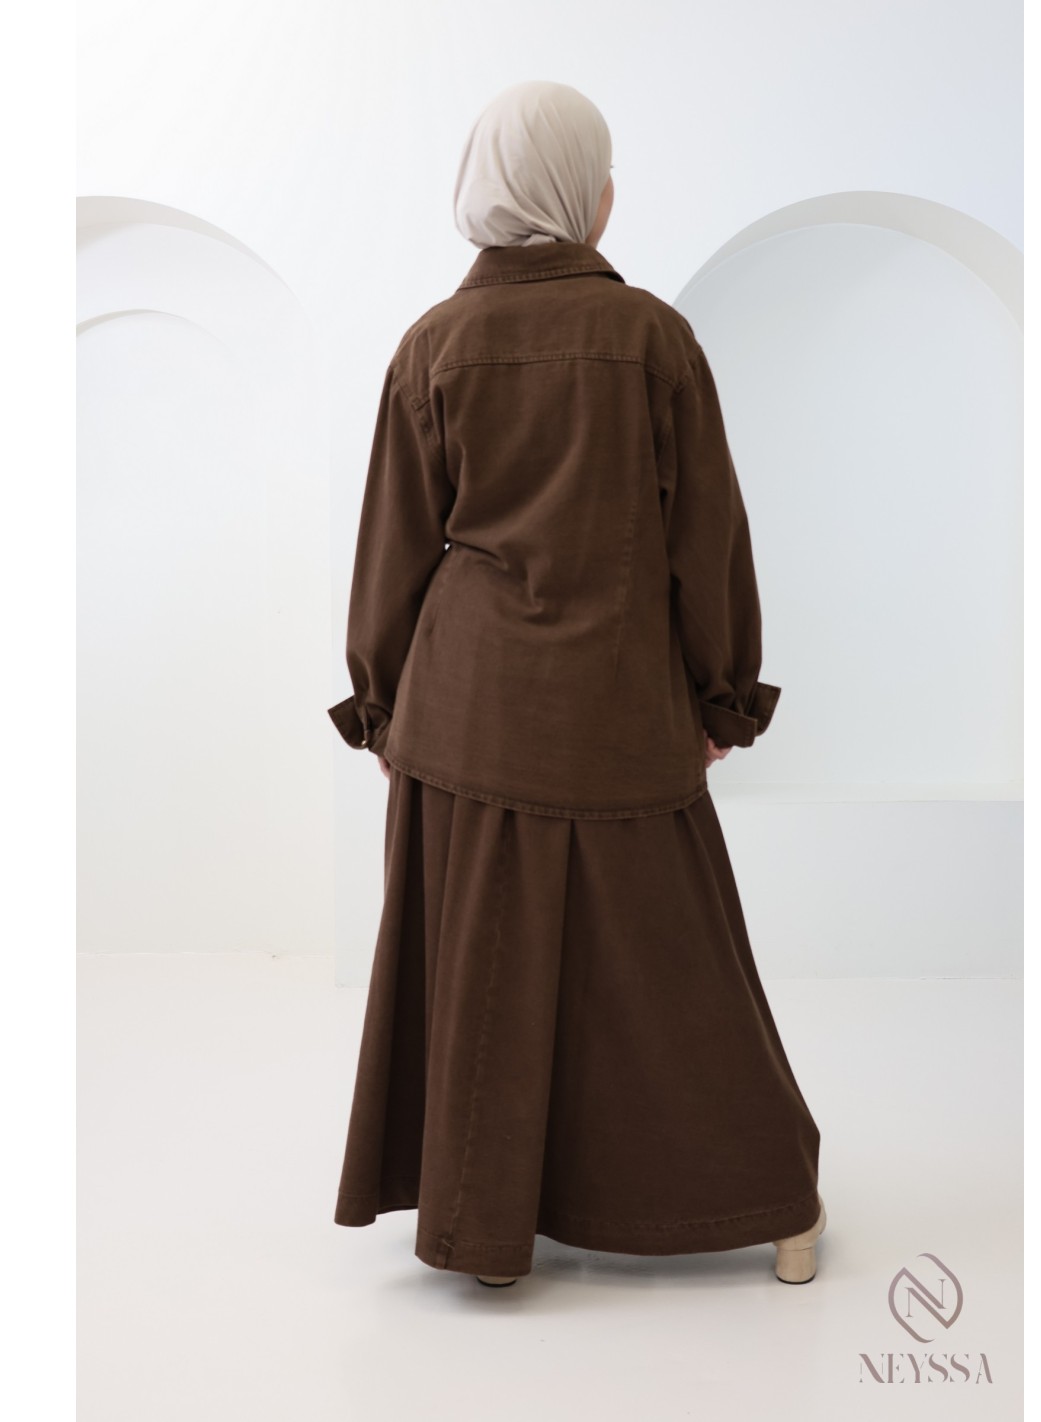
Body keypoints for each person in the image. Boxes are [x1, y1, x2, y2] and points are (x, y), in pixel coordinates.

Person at [327, 79, 826, 1288]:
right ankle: (777, 1208)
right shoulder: (651, 338)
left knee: (477, 970)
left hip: (464, 710)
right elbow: (705, 539)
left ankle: (486, 1233)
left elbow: (394, 549)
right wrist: (720, 693)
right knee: (677, 976)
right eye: (601, 176)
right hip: (614, 706)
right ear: (583, 195)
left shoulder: (431, 346)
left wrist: (383, 708)